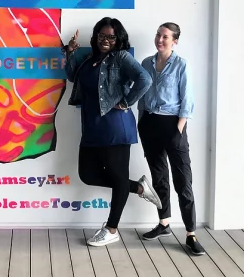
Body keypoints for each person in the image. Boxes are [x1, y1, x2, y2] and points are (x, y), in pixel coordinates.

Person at [63, 17, 162, 247]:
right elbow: (72, 76)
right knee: (87, 174)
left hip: (115, 125)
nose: (105, 40)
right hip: (92, 126)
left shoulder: (121, 57)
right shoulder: (90, 59)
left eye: (110, 37)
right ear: (95, 37)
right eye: (101, 36)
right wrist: (69, 53)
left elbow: (144, 79)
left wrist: (127, 102)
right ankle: (138, 187)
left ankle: (111, 228)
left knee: (117, 177)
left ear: (118, 39)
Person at [137, 22, 205, 256]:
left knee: (182, 180)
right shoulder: (146, 63)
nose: (160, 39)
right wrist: (142, 119)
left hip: (172, 124)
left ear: (174, 41)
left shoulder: (181, 65)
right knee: (159, 177)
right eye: (158, 34)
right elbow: (142, 93)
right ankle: (164, 223)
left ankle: (190, 233)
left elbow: (187, 100)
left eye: (165, 36)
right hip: (149, 123)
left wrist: (178, 128)